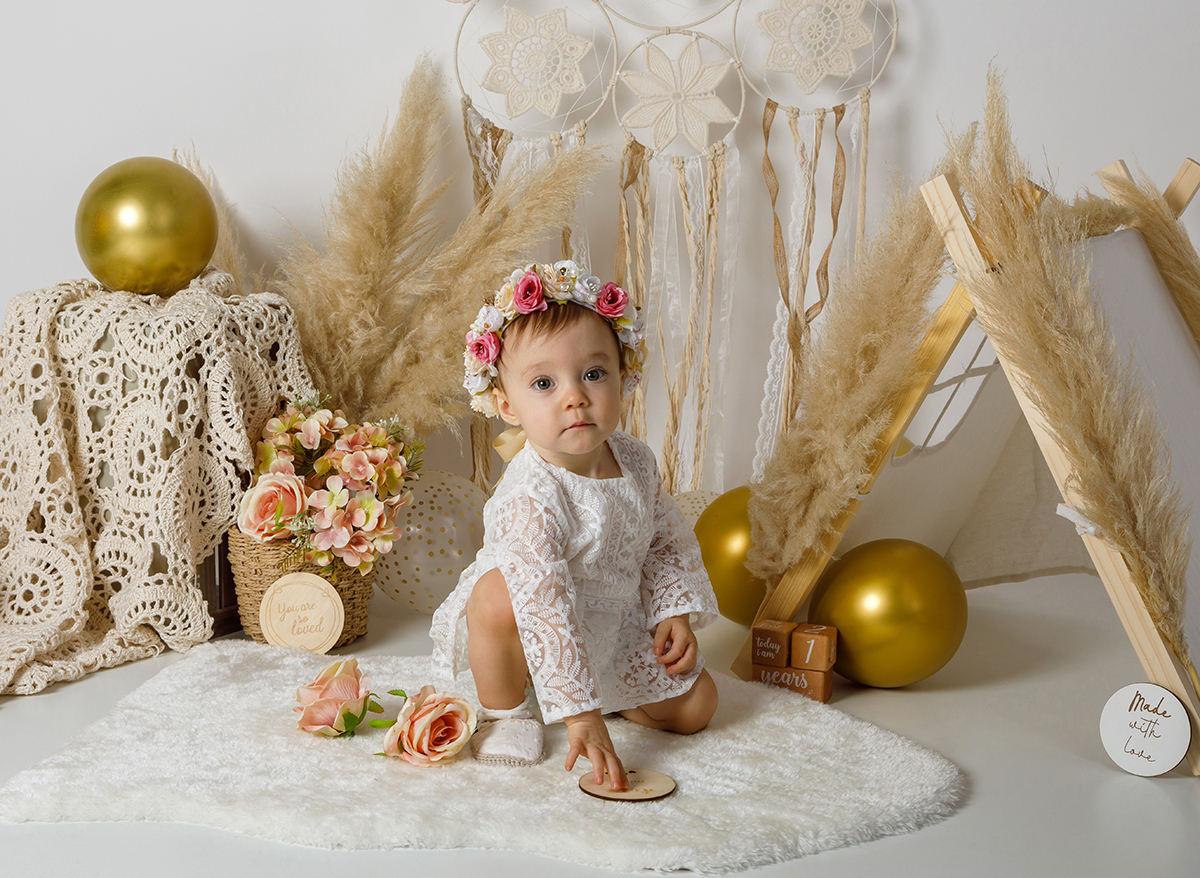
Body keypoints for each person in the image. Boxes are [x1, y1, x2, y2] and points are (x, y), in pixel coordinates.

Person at [430, 260, 719, 791]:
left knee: (698, 705)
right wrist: (578, 715)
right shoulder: (531, 493)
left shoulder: (635, 460)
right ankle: (510, 710)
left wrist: (670, 610)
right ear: (506, 405)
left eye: (593, 373)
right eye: (544, 382)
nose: (575, 396)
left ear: (623, 375)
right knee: (497, 595)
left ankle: (610, 697)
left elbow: (664, 538)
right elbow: (543, 602)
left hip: (607, 623)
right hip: (527, 625)